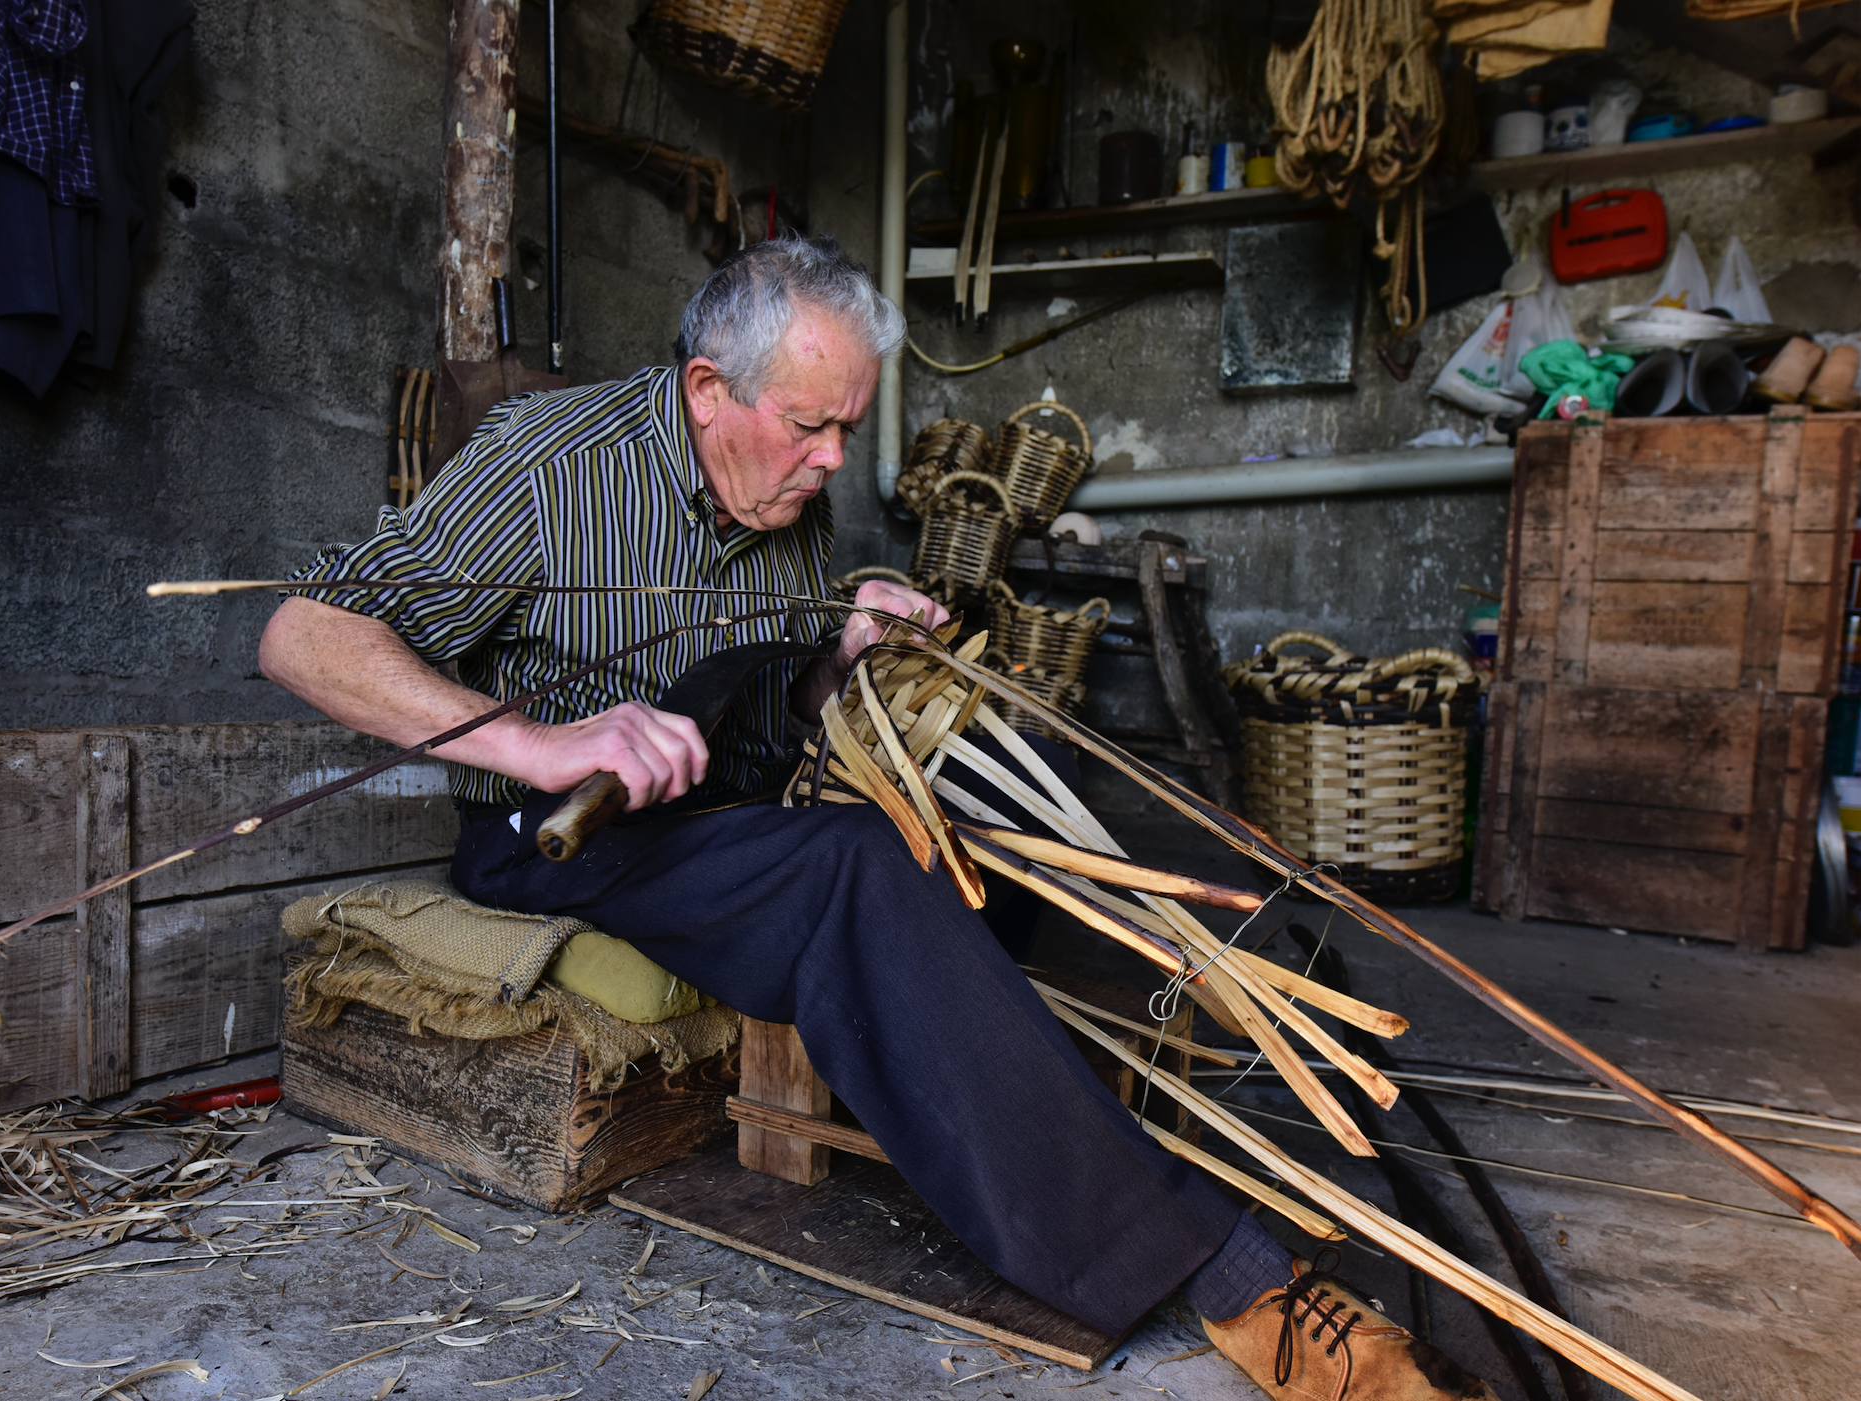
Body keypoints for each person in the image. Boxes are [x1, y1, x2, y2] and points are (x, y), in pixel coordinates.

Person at [259, 234, 1497, 1401]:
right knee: (851, 871)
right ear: (706, 391)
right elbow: (304, 635)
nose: (835, 459)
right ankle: (1231, 1284)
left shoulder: (793, 499)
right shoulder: (550, 464)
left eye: (847, 426)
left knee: (968, 858)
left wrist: (844, 652)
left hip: (723, 814)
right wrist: (537, 742)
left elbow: (781, 703)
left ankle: (1040, 1113)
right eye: (810, 425)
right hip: (561, 838)